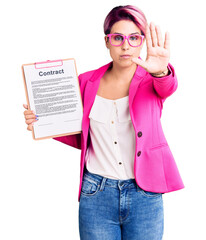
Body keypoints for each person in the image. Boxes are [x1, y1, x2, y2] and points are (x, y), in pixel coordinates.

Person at [23, 5, 184, 240]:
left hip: (145, 194)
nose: (126, 45)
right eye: (118, 38)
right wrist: (42, 122)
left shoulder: (152, 80)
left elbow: (168, 86)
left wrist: (161, 72)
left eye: (134, 38)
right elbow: (81, 134)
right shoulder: (85, 82)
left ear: (142, 42)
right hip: (96, 194)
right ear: (107, 41)